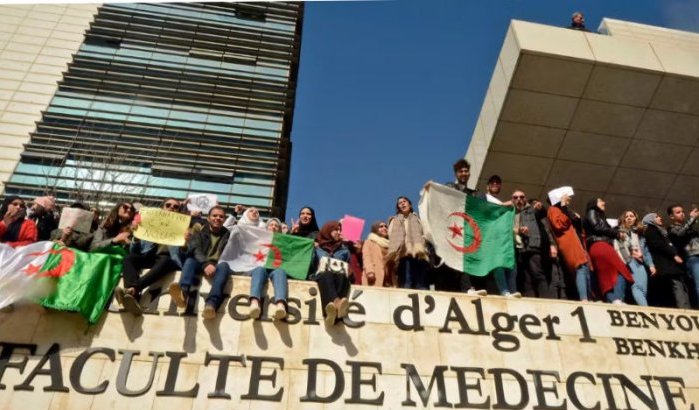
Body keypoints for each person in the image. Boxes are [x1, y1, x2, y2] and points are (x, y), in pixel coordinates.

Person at [116, 198, 182, 315]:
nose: (171, 207)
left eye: (175, 207)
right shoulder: (149, 224)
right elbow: (135, 251)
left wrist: (185, 240)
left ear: (179, 211)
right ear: (163, 208)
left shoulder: (184, 227)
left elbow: (189, 250)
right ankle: (132, 296)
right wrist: (136, 237)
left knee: (165, 259)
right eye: (168, 205)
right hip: (150, 257)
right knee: (129, 258)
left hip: (169, 259)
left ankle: (133, 290)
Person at [169, 206, 231, 319]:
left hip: (218, 265)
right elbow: (195, 249)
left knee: (225, 266)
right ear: (208, 218)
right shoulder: (199, 233)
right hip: (201, 262)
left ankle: (211, 304)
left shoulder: (229, 235)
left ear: (224, 219)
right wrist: (205, 264)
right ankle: (183, 293)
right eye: (215, 215)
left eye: (221, 216)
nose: (218, 218)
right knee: (190, 260)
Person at [583, 198, 633, 305]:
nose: (604, 203)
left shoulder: (601, 216)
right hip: (600, 245)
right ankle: (616, 298)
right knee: (619, 270)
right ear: (594, 204)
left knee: (608, 275)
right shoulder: (592, 212)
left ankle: (615, 299)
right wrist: (616, 233)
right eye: (601, 201)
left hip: (601, 246)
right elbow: (597, 227)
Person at [547, 188, 592, 301]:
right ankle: (584, 298)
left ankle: (589, 297)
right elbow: (559, 224)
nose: (569, 199)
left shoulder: (565, 210)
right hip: (569, 243)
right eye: (566, 197)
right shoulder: (553, 209)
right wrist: (563, 207)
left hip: (578, 243)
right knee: (580, 267)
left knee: (585, 269)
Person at [512, 190, 557, 298]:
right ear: (512, 200)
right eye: (516, 197)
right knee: (526, 280)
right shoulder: (512, 213)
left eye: (521, 197)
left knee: (538, 275)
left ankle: (546, 301)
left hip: (532, 246)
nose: (519, 199)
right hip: (520, 250)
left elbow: (541, 212)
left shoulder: (531, 210)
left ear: (525, 199)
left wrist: (540, 207)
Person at [642, 213, 691, 309]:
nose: (660, 217)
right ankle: (683, 308)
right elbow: (659, 244)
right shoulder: (651, 229)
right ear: (650, 219)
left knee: (679, 285)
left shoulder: (662, 231)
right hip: (665, 264)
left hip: (670, 264)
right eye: (656, 217)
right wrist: (674, 255)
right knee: (675, 285)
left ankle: (685, 307)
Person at [245, 217, 289, 320]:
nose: (273, 227)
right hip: (260, 268)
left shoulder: (284, 242)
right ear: (266, 227)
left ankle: (280, 305)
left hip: (275, 269)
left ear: (279, 229)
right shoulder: (258, 239)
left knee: (280, 272)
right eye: (271, 225)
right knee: (259, 269)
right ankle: (254, 303)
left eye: (276, 226)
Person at [310, 221, 351, 326]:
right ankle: (337, 302)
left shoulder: (344, 250)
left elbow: (348, 267)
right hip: (320, 276)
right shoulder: (316, 248)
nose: (339, 232)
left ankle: (330, 314)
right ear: (328, 231)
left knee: (342, 276)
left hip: (339, 277)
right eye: (336, 230)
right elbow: (309, 265)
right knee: (326, 274)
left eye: (340, 230)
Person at [387, 196, 429, 290]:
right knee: (406, 283)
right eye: (399, 203)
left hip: (419, 255)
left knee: (421, 285)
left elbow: (426, 233)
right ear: (398, 207)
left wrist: (421, 242)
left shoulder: (418, 219)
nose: (402, 203)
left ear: (410, 204)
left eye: (404, 201)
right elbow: (391, 235)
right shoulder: (395, 220)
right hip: (404, 255)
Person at [614, 210, 655, 306]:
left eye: (631, 216)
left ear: (635, 218)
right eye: (626, 216)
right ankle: (645, 309)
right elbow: (620, 247)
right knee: (637, 287)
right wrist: (631, 253)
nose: (628, 218)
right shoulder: (620, 231)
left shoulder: (640, 234)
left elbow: (646, 251)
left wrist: (651, 265)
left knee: (643, 289)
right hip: (628, 261)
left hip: (639, 262)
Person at [667, 204, 699, 305]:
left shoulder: (690, 226)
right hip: (692, 257)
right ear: (671, 216)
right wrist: (692, 219)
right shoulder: (671, 228)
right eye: (678, 212)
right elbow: (680, 233)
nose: (682, 214)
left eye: (682, 211)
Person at [362, 221, 391, 286]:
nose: (384, 228)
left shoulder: (390, 245)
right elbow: (366, 257)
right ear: (375, 229)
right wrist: (370, 271)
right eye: (381, 226)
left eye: (386, 226)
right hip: (375, 276)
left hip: (389, 281)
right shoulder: (369, 242)